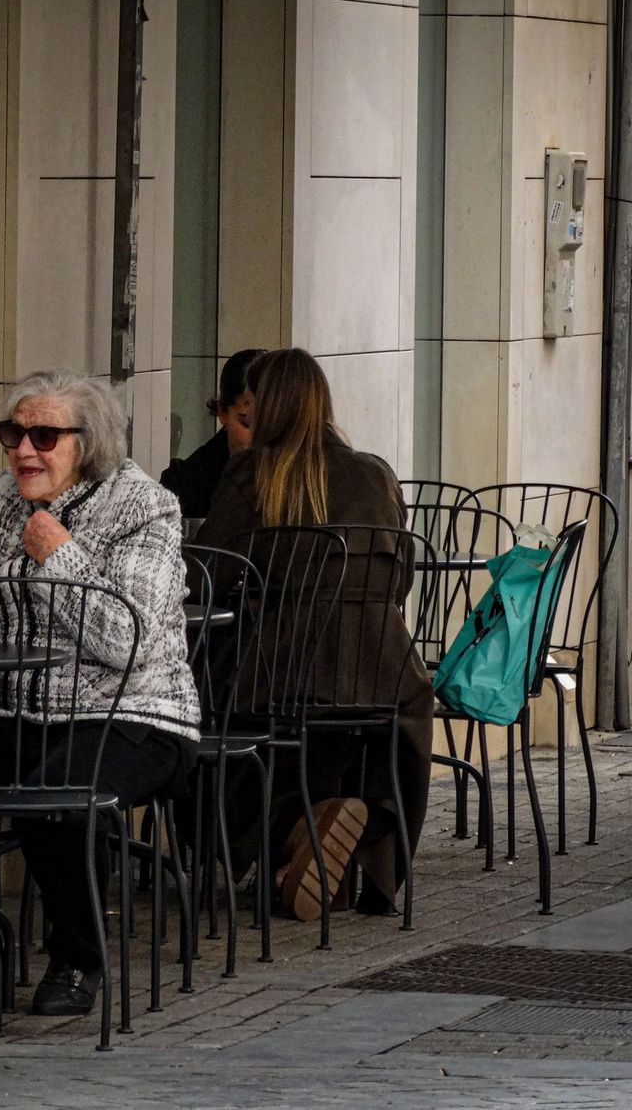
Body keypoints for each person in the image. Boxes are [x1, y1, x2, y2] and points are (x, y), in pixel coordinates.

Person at [0, 370, 201, 1016]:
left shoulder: (144, 505)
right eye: (13, 433)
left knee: (58, 795)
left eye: (43, 435)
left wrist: (58, 555)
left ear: (87, 442)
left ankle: (78, 956)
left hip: (130, 710)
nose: (22, 450)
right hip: (5, 706)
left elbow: (128, 640)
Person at [192, 347, 433, 921]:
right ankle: (362, 846)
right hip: (383, 672)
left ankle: (290, 837)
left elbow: (207, 575)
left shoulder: (255, 474)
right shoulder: (374, 472)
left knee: (196, 712)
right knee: (372, 728)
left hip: (275, 671)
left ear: (267, 406)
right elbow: (400, 578)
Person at [159, 348, 265, 518]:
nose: (261, 435)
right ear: (222, 413)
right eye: (247, 423)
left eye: (270, 422)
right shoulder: (189, 483)